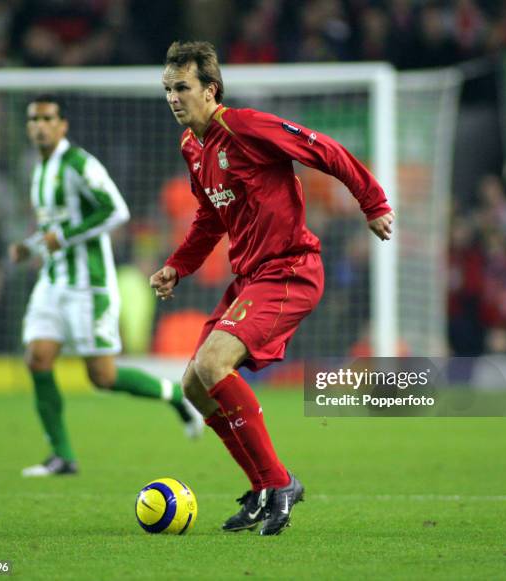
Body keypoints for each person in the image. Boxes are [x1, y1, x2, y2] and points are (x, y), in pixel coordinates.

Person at [150, 42, 394, 535]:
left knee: (212, 364)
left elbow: (323, 149)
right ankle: (265, 486)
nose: (174, 97)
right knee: (195, 385)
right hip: (250, 279)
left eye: (182, 88)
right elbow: (208, 218)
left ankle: (279, 481)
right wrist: (179, 265)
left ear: (210, 90)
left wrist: (373, 202)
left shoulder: (245, 127)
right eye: (168, 89)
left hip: (289, 270)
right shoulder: (192, 148)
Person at [10, 95, 203, 478]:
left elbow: (116, 209)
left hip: (88, 286)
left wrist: (63, 237)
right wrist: (29, 247)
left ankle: (176, 396)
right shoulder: (39, 170)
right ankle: (62, 456)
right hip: (52, 282)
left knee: (102, 376)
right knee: (37, 359)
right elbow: (53, 228)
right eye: (34, 119)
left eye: (48, 118)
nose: (40, 125)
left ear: (62, 125)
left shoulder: (79, 164)